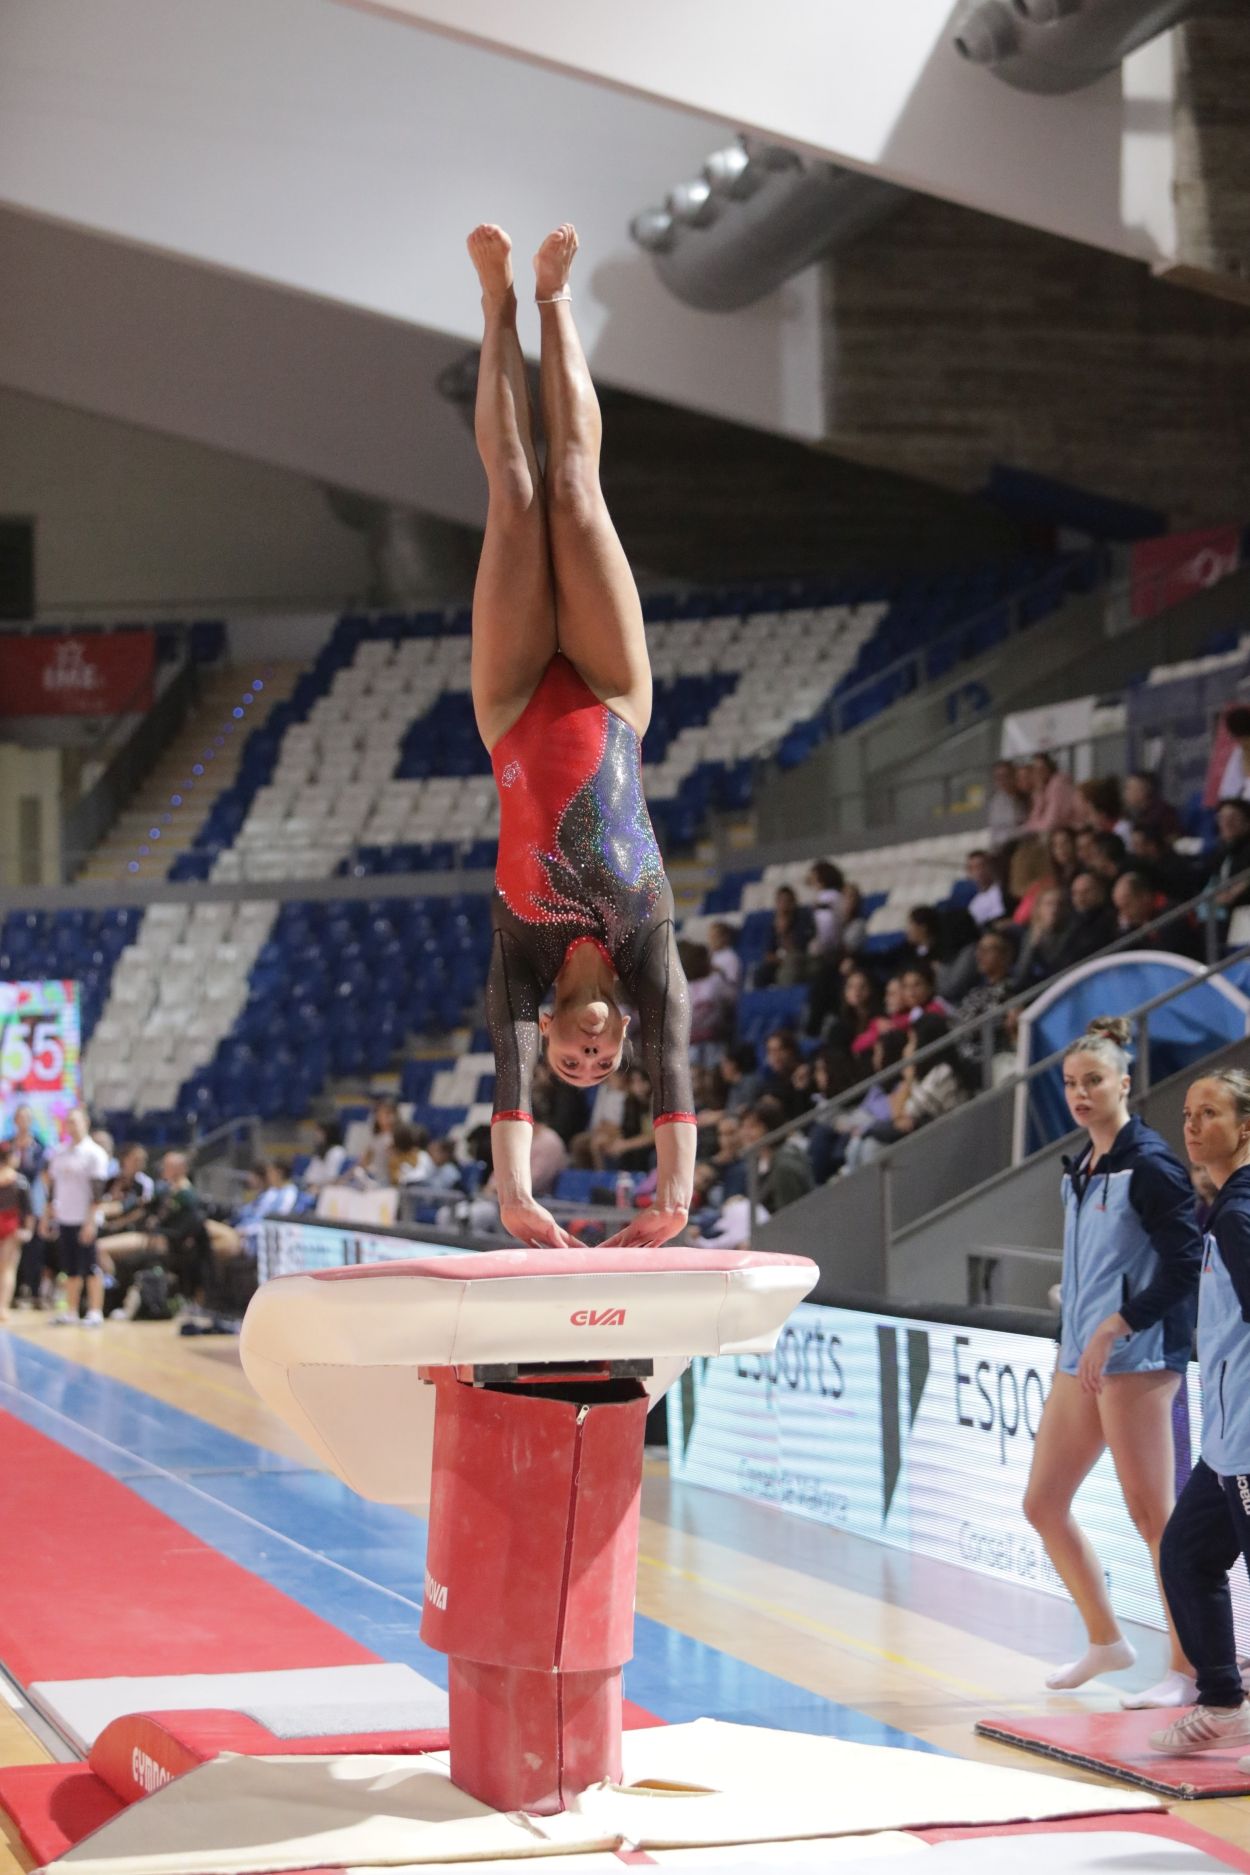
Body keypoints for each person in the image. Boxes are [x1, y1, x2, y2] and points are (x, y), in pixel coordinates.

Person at [468, 220, 694, 1250]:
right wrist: (670, 1201)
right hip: (610, 700)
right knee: (574, 487)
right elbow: (679, 1070)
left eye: (573, 1063)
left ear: (551, 1035)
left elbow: (507, 1093)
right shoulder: (647, 957)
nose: (588, 1062)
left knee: (515, 495)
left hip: (511, 711)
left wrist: (516, 1199)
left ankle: (495, 307)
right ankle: (555, 302)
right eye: (599, 1068)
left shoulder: (521, 967)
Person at [1021, 1017, 1202, 1706]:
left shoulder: (1152, 1164)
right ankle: (1106, 1639)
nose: (1081, 1093)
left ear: (1124, 1083)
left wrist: (1121, 1319)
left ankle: (1188, 1668)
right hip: (1082, 1357)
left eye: (1093, 1080)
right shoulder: (1084, 1162)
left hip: (1139, 1358)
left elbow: (1187, 1260)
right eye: (1070, 1083)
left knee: (1154, 1513)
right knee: (1043, 1502)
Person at [1151, 1070, 1250, 1755]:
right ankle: (1221, 1700)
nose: (1191, 1125)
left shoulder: (1241, 1215)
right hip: (1225, 1439)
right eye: (1187, 1113)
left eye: (1208, 1113)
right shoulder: (1225, 1206)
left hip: (1248, 1440)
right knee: (1185, 1553)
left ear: (1245, 1126)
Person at [45, 1107, 111, 1327]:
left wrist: (90, 1222)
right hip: (66, 1217)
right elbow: (53, 1188)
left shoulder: (94, 1154)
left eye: (76, 1121)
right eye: (69, 1122)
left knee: (90, 1265)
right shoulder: (60, 1153)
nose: (71, 1126)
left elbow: (97, 1193)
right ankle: (71, 1310)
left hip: (86, 1219)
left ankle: (94, 1311)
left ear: (86, 1123)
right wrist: (49, 1215)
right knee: (70, 1267)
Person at [0, 1140, 34, 1323]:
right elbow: (27, 1209)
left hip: (8, 1224)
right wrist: (27, 1229)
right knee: (8, 1268)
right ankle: (2, 1307)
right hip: (10, 1224)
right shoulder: (19, 1181)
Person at [987, 758, 1028, 850]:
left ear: (1014, 776)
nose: (1003, 781)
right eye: (998, 778)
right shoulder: (996, 802)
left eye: (1006, 776)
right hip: (1004, 847)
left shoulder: (1025, 796)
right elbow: (996, 832)